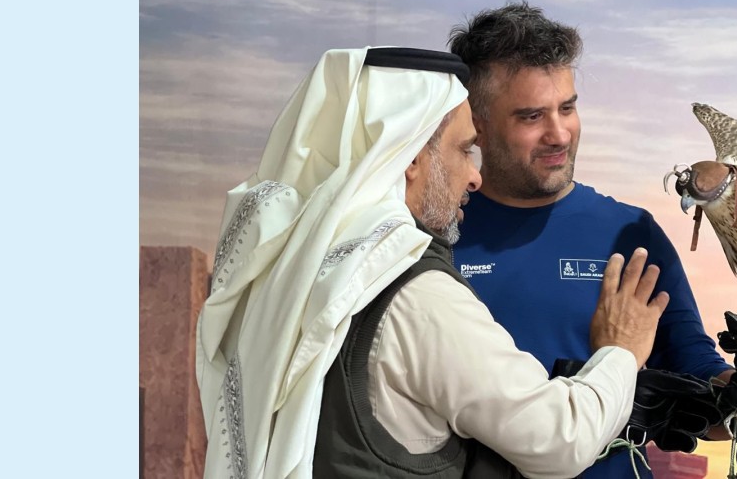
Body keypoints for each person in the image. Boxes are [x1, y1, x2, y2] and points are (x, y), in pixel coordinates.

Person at [194, 46, 677, 479]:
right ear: (409, 158)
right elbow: (559, 439)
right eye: (464, 150)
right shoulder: (414, 295)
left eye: (567, 107)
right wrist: (621, 352)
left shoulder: (293, 271)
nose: (474, 175)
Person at [448, 2, 737, 478]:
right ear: (475, 122)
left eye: (567, 107)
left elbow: (692, 372)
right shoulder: (436, 236)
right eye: (531, 116)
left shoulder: (631, 234)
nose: (559, 134)